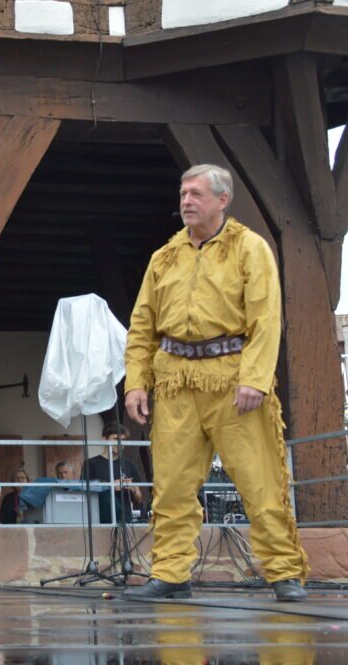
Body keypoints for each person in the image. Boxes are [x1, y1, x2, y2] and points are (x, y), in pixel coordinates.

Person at [123, 164, 308, 602]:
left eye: (196, 193)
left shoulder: (250, 248)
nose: (186, 200)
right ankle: (170, 573)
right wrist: (135, 382)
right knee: (171, 486)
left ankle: (284, 572)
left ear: (223, 200)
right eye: (183, 193)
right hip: (175, 383)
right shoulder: (164, 257)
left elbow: (266, 319)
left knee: (259, 480)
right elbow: (142, 325)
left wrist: (255, 379)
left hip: (232, 380)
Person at [83, 422, 142, 524]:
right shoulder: (91, 464)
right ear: (104, 439)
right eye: (116, 439)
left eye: (123, 440)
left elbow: (139, 499)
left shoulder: (129, 465)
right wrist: (110, 486)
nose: (120, 443)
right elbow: (85, 494)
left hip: (126, 521)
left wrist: (132, 489)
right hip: (100, 521)